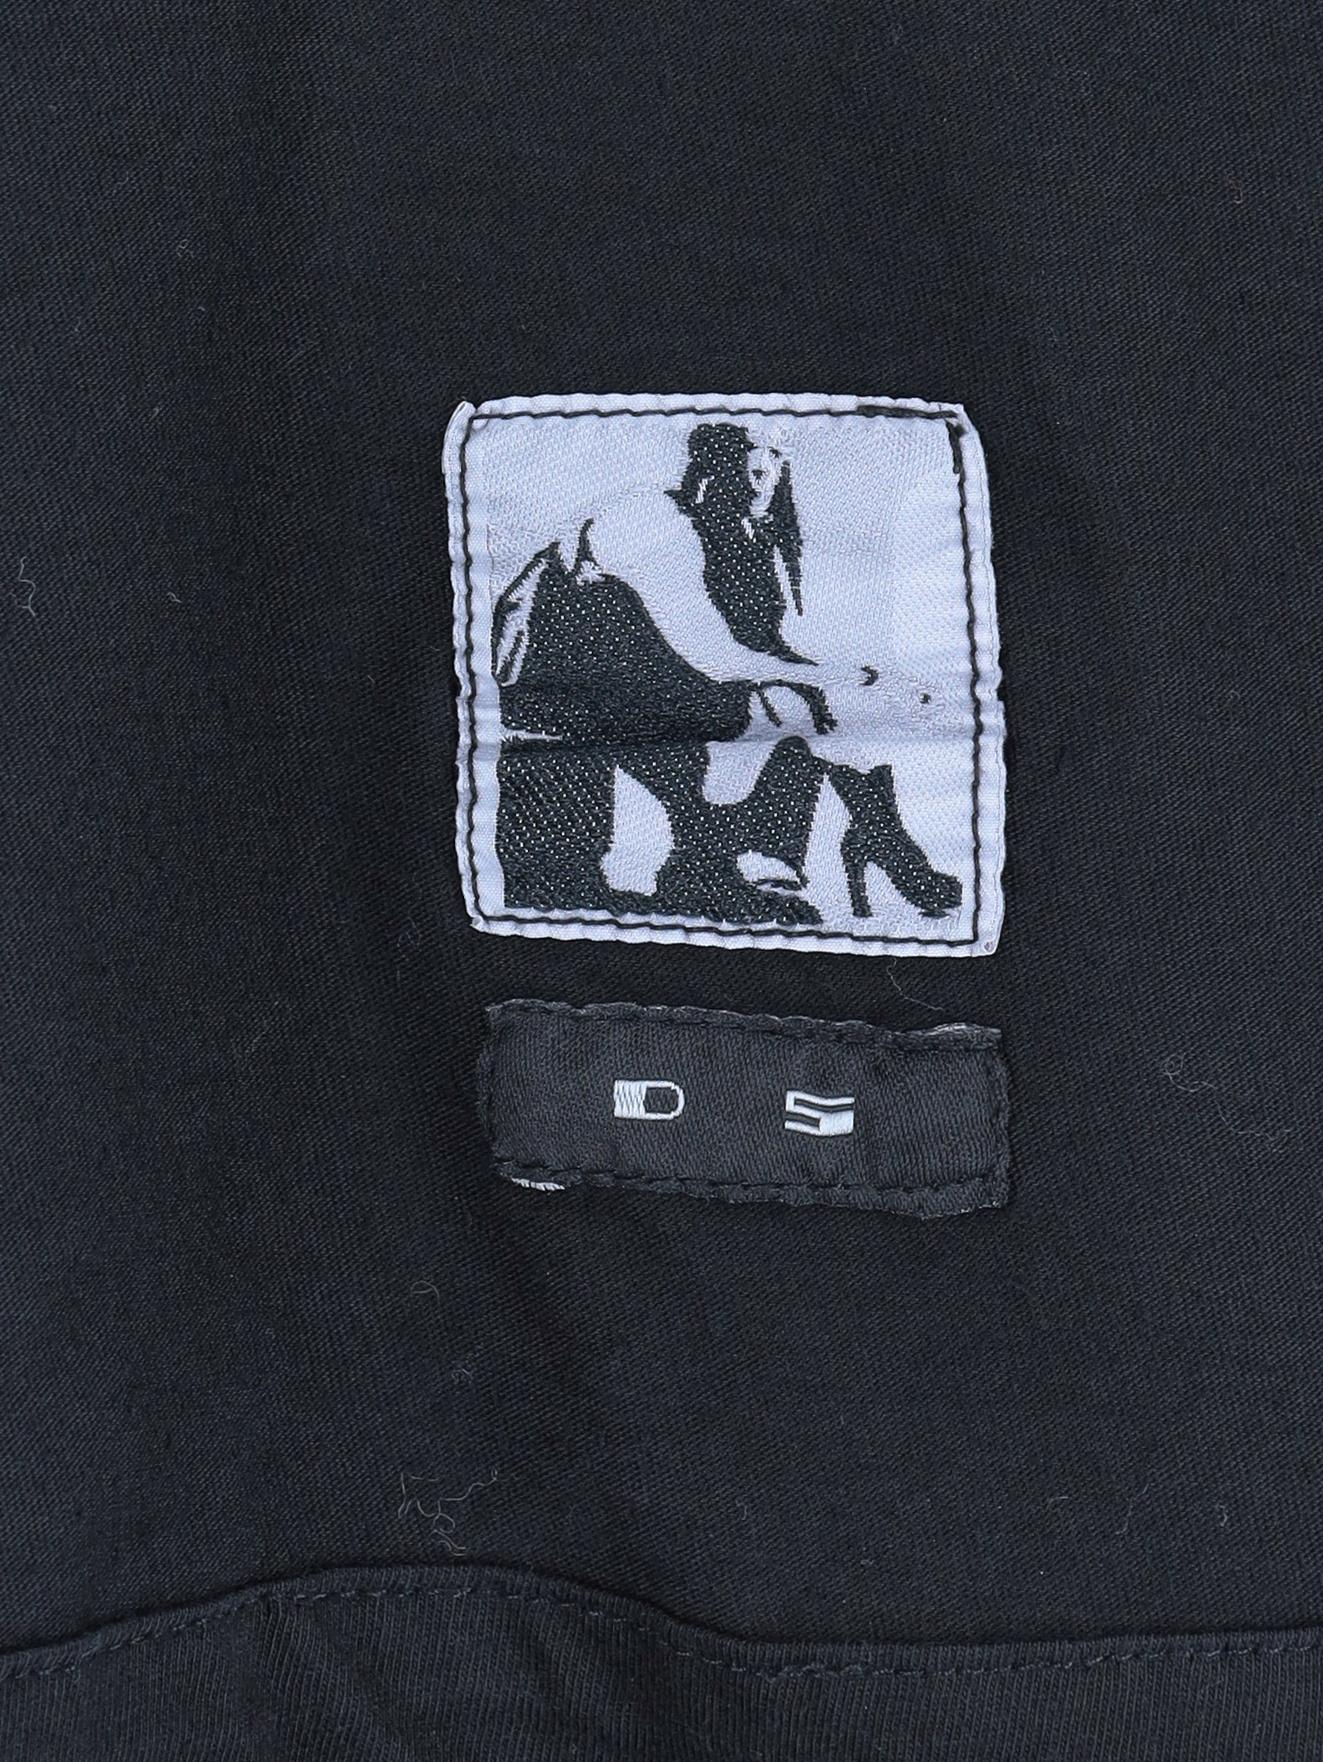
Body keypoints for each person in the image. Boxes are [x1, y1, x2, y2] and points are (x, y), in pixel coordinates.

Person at [490, 421, 962, 925]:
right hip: (560, 694)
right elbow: (715, 657)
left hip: (641, 695)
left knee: (798, 709)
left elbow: (762, 654)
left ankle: (754, 863)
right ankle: (860, 851)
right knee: (787, 707)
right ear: (710, 464)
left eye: (777, 458)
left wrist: (845, 690)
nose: (767, 473)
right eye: (751, 455)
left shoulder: (739, 542)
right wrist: (855, 680)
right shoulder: (649, 519)